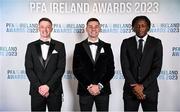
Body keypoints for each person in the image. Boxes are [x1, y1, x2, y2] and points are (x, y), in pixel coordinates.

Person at [120, 15, 163, 111]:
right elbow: (125, 66)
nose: (140, 28)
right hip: (130, 90)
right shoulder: (126, 43)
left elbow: (157, 68)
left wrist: (142, 86)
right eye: (137, 25)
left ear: (148, 27)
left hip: (150, 90)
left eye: (143, 25)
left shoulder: (156, 43)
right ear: (133, 27)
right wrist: (135, 86)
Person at [73, 18, 115, 111]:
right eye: (90, 26)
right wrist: (89, 86)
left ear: (100, 28)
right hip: (85, 90)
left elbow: (110, 70)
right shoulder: (78, 47)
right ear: (86, 29)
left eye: (96, 26)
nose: (93, 28)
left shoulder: (107, 46)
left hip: (103, 90)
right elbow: (76, 70)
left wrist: (99, 86)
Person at [25, 17, 66, 111]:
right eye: (42, 27)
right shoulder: (30, 46)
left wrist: (48, 86)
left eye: (48, 27)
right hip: (37, 90)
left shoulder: (60, 46)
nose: (45, 29)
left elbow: (61, 69)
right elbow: (29, 69)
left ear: (51, 28)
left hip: (55, 90)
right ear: (38, 28)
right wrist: (40, 87)